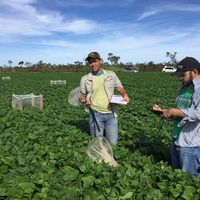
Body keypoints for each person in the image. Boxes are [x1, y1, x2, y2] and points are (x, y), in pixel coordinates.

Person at [153, 56, 200, 176]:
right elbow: (181, 111)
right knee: (175, 176)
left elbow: (198, 113)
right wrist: (164, 111)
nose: (180, 78)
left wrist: (173, 111)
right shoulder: (184, 88)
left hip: (190, 143)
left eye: (183, 75)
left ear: (194, 72)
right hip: (176, 137)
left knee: (186, 181)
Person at [79, 52, 130, 145]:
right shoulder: (85, 79)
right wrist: (83, 100)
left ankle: (110, 159)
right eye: (90, 62)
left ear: (100, 61)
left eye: (95, 61)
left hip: (111, 115)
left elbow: (119, 86)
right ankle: (98, 159)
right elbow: (82, 94)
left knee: (113, 143)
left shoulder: (111, 75)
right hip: (95, 114)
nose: (93, 64)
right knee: (97, 144)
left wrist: (124, 94)